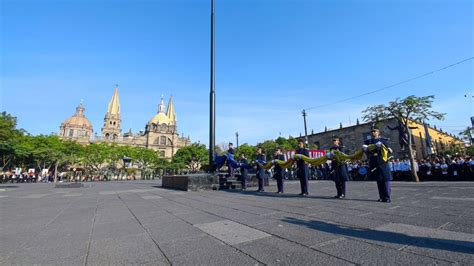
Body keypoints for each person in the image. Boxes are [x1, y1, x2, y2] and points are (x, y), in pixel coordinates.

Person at [363, 127, 393, 203]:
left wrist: (383, 146)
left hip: (382, 161)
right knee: (378, 180)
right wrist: (366, 149)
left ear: (378, 132)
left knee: (385, 179)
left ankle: (387, 197)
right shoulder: (369, 141)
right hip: (374, 161)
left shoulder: (383, 140)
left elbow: (389, 151)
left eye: (375, 131)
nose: (373, 132)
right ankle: (381, 197)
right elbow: (367, 152)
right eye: (372, 131)